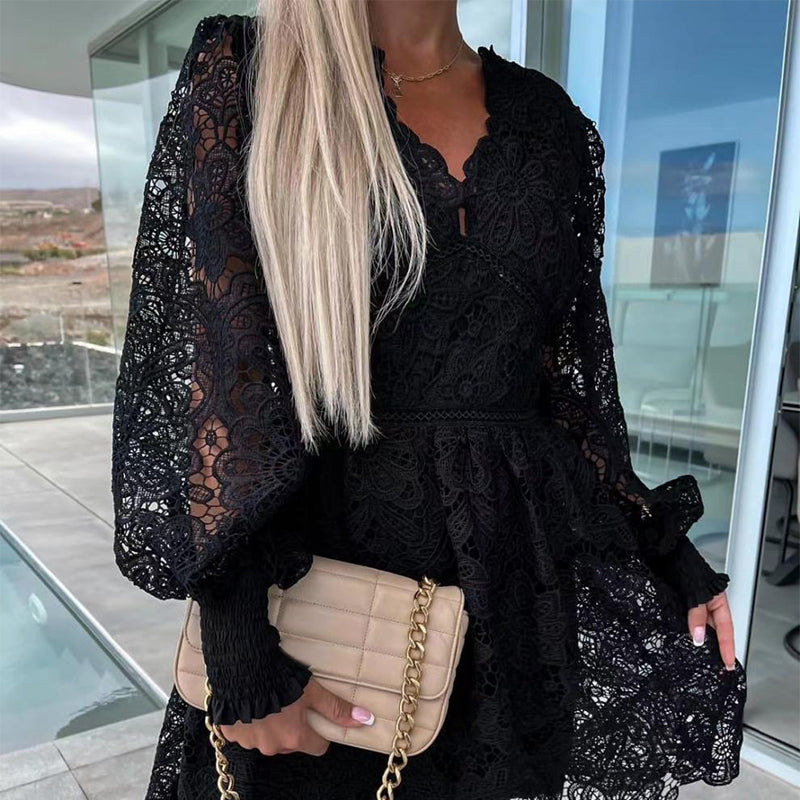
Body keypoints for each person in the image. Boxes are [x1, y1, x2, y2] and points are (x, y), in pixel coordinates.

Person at [110, 2, 748, 799]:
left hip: (512, 594)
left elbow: (567, 395)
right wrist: (237, 647)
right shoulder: (255, 73)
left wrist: (667, 552)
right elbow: (215, 366)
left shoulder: (549, 121)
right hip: (325, 613)